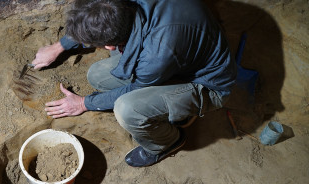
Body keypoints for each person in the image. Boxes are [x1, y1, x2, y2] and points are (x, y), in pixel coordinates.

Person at [31, 0, 237, 167]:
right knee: (97, 76)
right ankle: (173, 105)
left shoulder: (156, 55)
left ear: (109, 45)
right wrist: (59, 46)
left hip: (209, 84)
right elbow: (92, 13)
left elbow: (135, 89)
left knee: (128, 108)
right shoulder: (120, 6)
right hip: (186, 48)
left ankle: (167, 143)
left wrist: (84, 103)